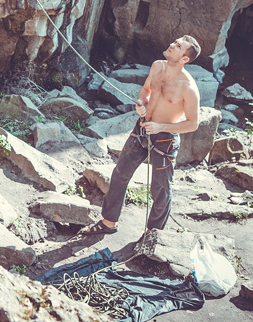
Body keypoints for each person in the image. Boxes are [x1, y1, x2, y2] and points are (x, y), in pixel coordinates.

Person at [80, 35, 201, 236]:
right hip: (141, 129)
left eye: (178, 46)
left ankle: (152, 235)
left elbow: (193, 124)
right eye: (175, 41)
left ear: (185, 59)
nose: (172, 44)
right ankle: (108, 222)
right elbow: (145, 91)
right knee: (120, 174)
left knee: (160, 188)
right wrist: (140, 104)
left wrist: (161, 127)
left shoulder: (188, 88)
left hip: (165, 140)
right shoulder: (157, 66)